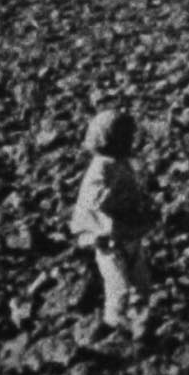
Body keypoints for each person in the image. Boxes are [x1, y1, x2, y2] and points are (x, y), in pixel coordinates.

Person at [70, 108, 156, 334]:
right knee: (119, 288)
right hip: (110, 240)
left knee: (141, 283)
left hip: (127, 235)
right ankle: (115, 328)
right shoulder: (101, 168)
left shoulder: (120, 164)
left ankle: (139, 323)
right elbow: (93, 205)